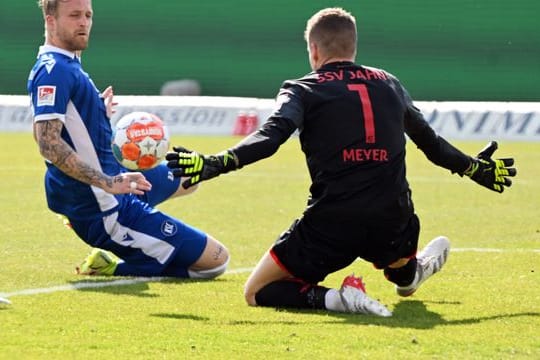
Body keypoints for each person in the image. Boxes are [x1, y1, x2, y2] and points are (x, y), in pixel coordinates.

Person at [166, 7, 516, 316]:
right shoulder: (391, 84)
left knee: (257, 292)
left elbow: (271, 137)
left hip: (332, 222)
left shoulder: (302, 88)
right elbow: (433, 145)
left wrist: (214, 163)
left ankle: (338, 299)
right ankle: (409, 272)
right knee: (399, 264)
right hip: (393, 218)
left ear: (314, 50)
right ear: (353, 47)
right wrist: (474, 168)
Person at [28, 0, 229, 279]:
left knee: (188, 176)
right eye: (74, 15)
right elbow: (47, 143)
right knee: (217, 261)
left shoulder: (67, 65)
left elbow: (59, 129)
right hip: (104, 208)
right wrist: (107, 183)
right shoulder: (54, 70)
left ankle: (149, 236)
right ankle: (114, 265)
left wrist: (97, 113)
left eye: (88, 15)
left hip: (114, 181)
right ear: (51, 21)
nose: (84, 22)